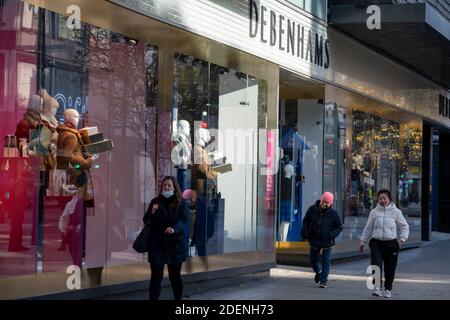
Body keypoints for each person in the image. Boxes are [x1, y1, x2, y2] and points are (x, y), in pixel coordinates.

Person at [143, 176, 189, 300]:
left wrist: (174, 229)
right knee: (156, 276)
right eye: (164, 185)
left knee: (174, 276)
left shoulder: (181, 202)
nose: (166, 187)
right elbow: (146, 219)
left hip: (175, 244)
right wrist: (152, 212)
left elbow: (184, 220)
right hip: (157, 244)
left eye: (169, 185)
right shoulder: (155, 202)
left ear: (174, 187)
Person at [359, 189, 409, 298]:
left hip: (391, 244)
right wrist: (363, 241)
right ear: (377, 199)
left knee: (390, 267)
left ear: (389, 199)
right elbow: (368, 228)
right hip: (376, 243)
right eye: (380, 198)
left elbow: (404, 226)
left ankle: (388, 289)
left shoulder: (396, 212)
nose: (382, 200)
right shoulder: (374, 212)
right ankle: (377, 289)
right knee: (376, 266)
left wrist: (402, 239)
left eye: (384, 198)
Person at [301, 192, 343, 288]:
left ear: (331, 204)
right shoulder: (312, 209)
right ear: (321, 200)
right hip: (314, 239)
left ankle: (323, 281)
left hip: (327, 241)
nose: (325, 204)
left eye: (327, 203)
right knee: (312, 259)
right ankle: (318, 271)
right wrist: (305, 233)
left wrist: (330, 235)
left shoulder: (334, 214)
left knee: (326, 260)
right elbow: (306, 221)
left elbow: (339, 227)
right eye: (324, 202)